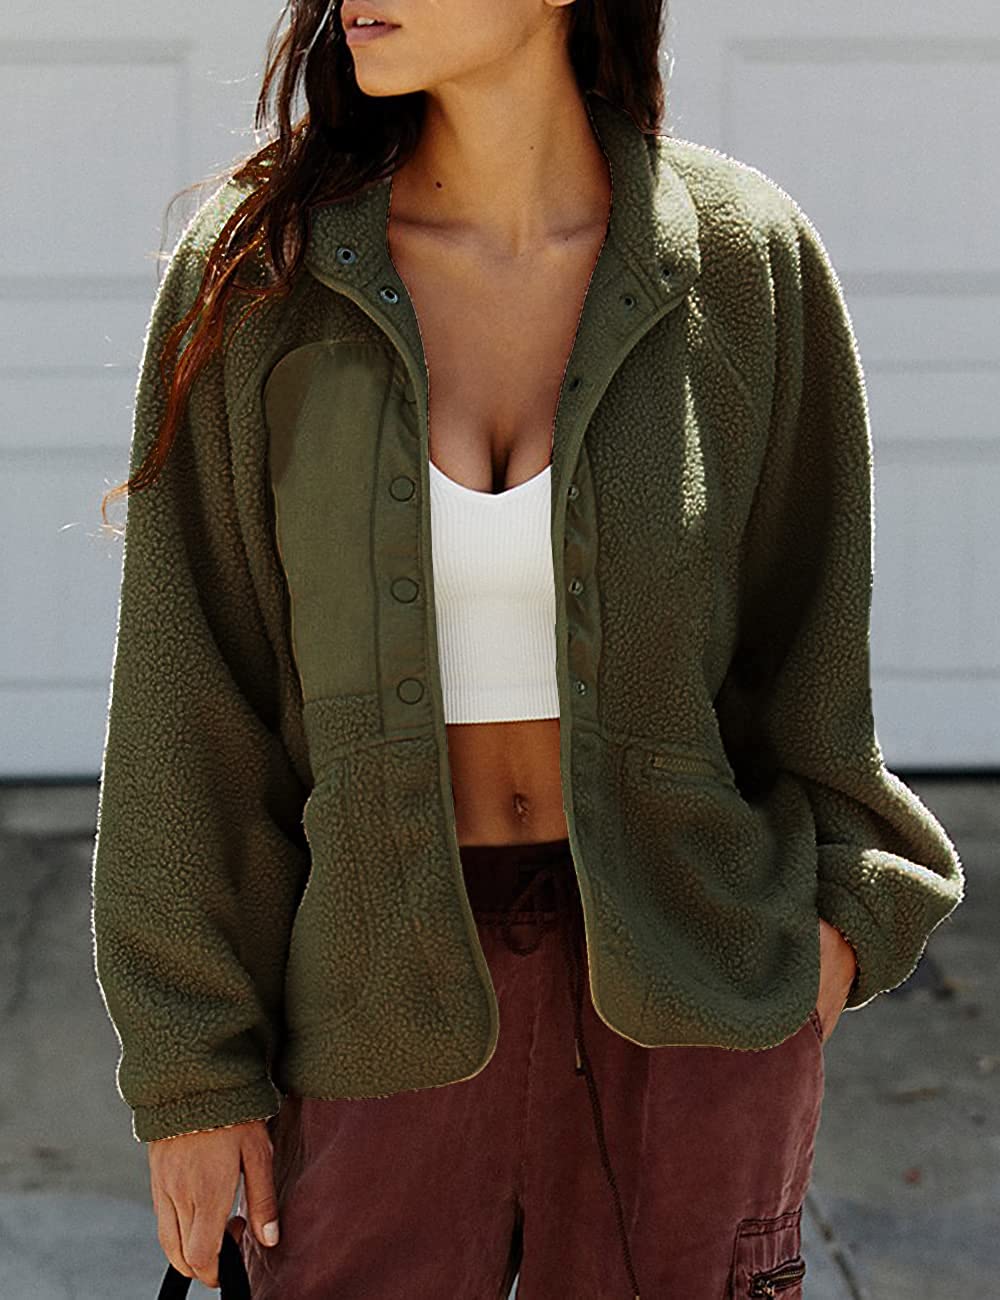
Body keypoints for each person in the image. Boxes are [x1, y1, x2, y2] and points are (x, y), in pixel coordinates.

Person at [91, 1, 965, 1296]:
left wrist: (823, 947)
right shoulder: (263, 277)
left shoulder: (744, 262)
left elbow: (813, 661)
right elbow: (188, 703)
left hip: (690, 1003)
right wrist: (191, 1075)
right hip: (377, 1003)